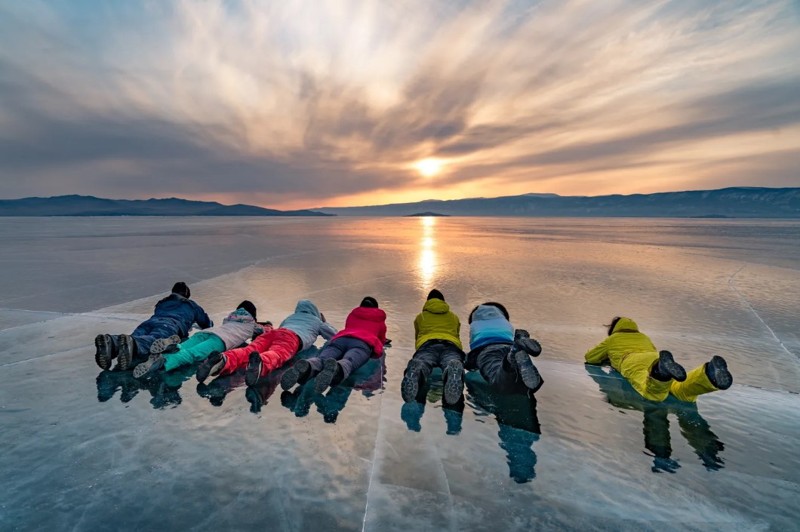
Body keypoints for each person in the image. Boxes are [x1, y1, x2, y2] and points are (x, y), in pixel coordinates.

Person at [584, 316, 732, 403]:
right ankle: (707, 374)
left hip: (631, 361)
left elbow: (591, 357)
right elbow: (653, 349)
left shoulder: (613, 339)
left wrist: (607, 358)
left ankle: (660, 372)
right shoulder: (643, 337)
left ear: (614, 329)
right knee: (680, 390)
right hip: (653, 357)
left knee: (650, 389)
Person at [196, 299, 336, 387]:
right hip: (292, 338)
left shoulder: (291, 317)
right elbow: (334, 336)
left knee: (249, 350)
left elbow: (280, 328)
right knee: (277, 353)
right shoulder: (317, 321)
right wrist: (324, 322)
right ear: (315, 312)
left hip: (274, 333)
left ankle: (223, 360)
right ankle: (261, 363)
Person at [94, 282, 212, 371]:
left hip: (149, 322)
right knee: (153, 339)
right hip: (170, 325)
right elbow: (206, 323)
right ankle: (133, 344)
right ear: (186, 294)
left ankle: (112, 341)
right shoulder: (190, 304)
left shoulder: (161, 303)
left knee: (135, 337)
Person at [281, 296, 387, 394]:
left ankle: (308, 366)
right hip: (362, 344)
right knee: (349, 361)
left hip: (341, 339)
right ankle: (337, 369)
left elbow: (349, 328)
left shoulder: (353, 315)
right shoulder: (379, 320)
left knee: (322, 358)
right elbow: (381, 341)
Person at [133, 301, 267, 379]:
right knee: (191, 355)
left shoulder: (230, 318)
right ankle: (164, 361)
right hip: (221, 341)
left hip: (208, 332)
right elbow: (264, 332)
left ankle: (170, 348)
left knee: (183, 347)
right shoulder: (251, 325)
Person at [401, 289, 465, 405]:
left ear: (428, 302)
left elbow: (417, 336)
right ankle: (451, 371)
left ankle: (418, 369)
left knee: (423, 361)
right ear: (443, 302)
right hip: (450, 344)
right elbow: (457, 334)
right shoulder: (454, 317)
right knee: (451, 361)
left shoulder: (421, 317)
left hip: (428, 344)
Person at [465, 302, 544, 394]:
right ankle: (517, 346)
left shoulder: (475, 325)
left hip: (487, 349)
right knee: (529, 385)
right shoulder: (504, 323)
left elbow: (473, 354)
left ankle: (511, 358)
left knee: (496, 377)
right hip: (508, 345)